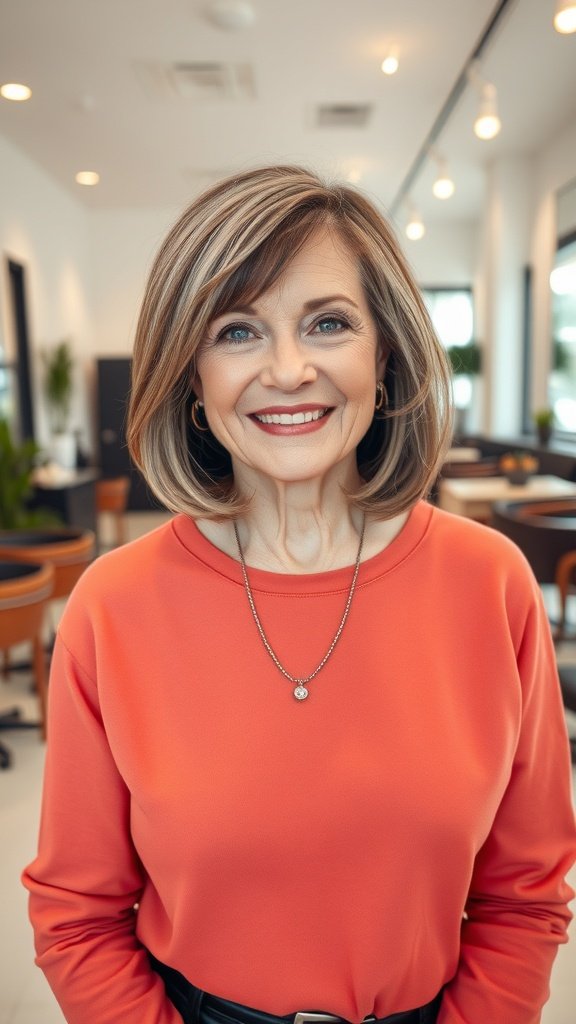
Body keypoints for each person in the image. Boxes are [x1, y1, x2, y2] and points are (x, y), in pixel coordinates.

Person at [23, 165, 575, 1024]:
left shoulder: (491, 584)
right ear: (191, 376)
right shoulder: (113, 605)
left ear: (383, 355)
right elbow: (77, 917)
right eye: (237, 331)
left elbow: (525, 895)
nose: (288, 370)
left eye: (328, 323)